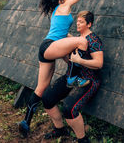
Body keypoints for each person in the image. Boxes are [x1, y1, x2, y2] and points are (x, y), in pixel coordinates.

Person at [19, 0, 100, 138]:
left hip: (47, 48)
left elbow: (62, 34)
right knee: (81, 41)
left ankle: (26, 122)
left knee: (41, 88)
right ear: (61, 0)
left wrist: (69, 41)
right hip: (50, 46)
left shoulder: (57, 11)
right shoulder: (66, 5)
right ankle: (72, 78)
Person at [42, 11, 103, 143]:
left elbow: (99, 63)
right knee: (47, 98)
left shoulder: (93, 40)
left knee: (69, 108)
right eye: (77, 21)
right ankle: (59, 129)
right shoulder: (77, 40)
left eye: (81, 22)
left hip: (88, 80)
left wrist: (80, 60)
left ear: (89, 24)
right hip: (71, 77)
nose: (78, 24)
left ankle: (82, 139)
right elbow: (72, 62)